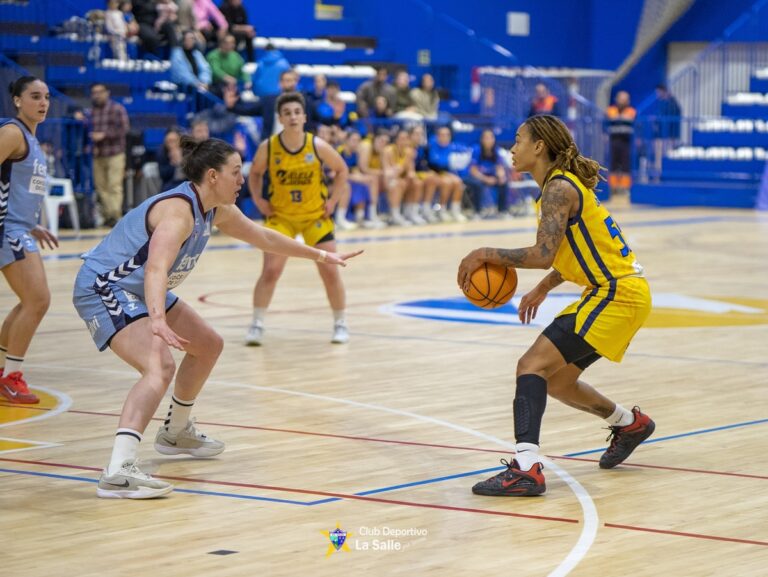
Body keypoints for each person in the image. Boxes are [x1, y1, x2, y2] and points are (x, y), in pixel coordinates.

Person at [72, 136, 361, 499]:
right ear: (212, 176)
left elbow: (264, 237)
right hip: (105, 287)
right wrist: (158, 320)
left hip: (136, 289)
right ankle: (118, 470)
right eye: (236, 173)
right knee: (159, 366)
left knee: (208, 344)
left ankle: (176, 432)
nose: (242, 180)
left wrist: (320, 256)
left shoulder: (215, 209)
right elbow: (156, 269)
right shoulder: (178, 213)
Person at [457, 114, 654, 497]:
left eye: (517, 140)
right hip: (618, 292)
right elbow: (575, 251)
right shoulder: (559, 186)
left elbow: (543, 253)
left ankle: (528, 470)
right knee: (559, 382)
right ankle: (629, 423)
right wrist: (544, 288)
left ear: (539, 146)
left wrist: (484, 253)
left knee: (530, 366)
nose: (511, 149)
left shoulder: (558, 188)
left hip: (616, 294)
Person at [245, 92, 353, 346]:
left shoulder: (317, 146)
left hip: (314, 217)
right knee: (270, 271)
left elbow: (341, 170)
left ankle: (340, 322)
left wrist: (333, 201)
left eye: (297, 112)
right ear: (280, 119)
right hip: (281, 218)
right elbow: (256, 174)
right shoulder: (268, 147)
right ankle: (257, 324)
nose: (292, 116)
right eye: (287, 113)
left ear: (304, 117)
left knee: (329, 271)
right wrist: (260, 201)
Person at [0, 77, 59, 405]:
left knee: (29, 302)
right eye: (35, 96)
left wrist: (32, 223)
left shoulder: (33, 140)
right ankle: (11, 377)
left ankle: (4, 372)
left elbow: (17, 189)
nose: (43, 102)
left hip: (20, 228)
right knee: (38, 300)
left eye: (47, 97)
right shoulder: (12, 132)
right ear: (17, 100)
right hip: (8, 231)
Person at [89, 82, 130, 227]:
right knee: (101, 187)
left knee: (114, 185)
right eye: (94, 92)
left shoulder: (117, 109)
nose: (97, 95)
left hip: (115, 153)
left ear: (107, 93)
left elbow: (124, 129)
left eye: (100, 92)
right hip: (98, 154)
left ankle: (115, 215)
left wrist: (104, 135)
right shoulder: (91, 112)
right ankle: (108, 216)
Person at [466, 128, 508, 218]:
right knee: (477, 185)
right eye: (486, 138)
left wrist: (501, 177)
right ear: (482, 139)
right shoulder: (476, 150)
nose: (489, 140)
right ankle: (477, 212)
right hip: (476, 176)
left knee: (503, 183)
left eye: (491, 137)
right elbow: (473, 171)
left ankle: (502, 211)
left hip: (490, 176)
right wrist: (485, 179)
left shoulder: (496, 151)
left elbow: (499, 167)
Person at [605, 91, 636, 197]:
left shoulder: (631, 111)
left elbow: (632, 123)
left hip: (626, 141)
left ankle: (625, 188)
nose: (623, 101)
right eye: (621, 98)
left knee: (625, 165)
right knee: (613, 164)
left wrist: (618, 119)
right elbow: (606, 124)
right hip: (613, 140)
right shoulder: (610, 110)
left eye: (625, 99)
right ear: (616, 99)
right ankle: (613, 188)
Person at [652, 84, 682, 179]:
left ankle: (665, 175)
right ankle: (658, 175)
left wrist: (673, 136)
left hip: (669, 136)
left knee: (666, 156)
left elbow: (671, 119)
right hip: (660, 135)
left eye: (659, 92)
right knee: (658, 157)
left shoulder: (672, 103)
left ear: (663, 91)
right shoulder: (661, 102)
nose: (657, 95)